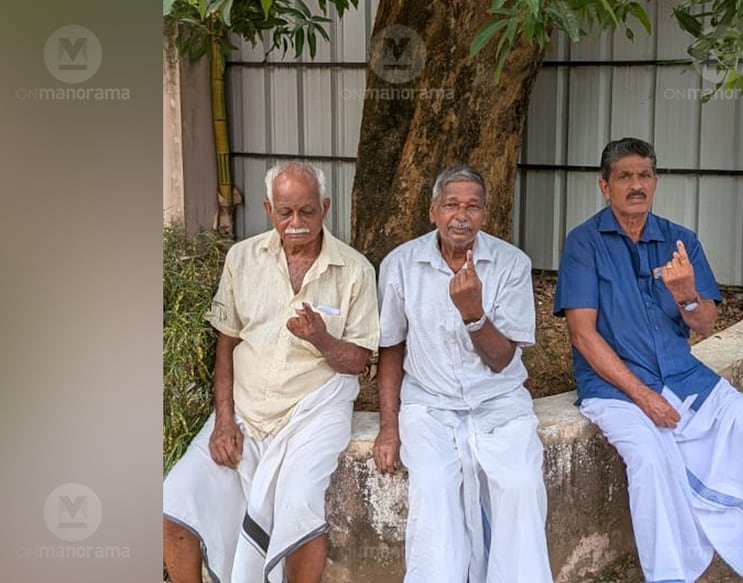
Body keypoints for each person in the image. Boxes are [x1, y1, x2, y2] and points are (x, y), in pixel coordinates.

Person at [554, 137, 743, 583]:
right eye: (624, 176)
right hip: (616, 389)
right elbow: (583, 336)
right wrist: (643, 396)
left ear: (656, 182)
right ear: (604, 187)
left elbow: (705, 323)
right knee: (649, 460)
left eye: (644, 175)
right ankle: (670, 576)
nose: (636, 185)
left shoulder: (680, 240)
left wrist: (685, 295)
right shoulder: (584, 243)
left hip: (684, 378)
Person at [162, 162, 380, 583]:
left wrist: (321, 338)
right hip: (244, 412)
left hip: (312, 414)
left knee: (299, 511)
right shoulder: (242, 257)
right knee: (175, 500)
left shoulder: (355, 270)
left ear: (326, 207)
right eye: (285, 212)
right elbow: (226, 343)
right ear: (268, 209)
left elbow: (358, 361)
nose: (296, 224)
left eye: (307, 212)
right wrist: (224, 420)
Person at [372, 163, 553, 583]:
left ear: (485, 215)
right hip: (429, 407)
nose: (461, 216)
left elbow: (503, 359)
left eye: (473, 206)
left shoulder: (511, 264)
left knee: (521, 484)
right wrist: (388, 427)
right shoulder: (400, 264)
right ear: (433, 210)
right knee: (433, 491)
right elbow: (391, 348)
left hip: (499, 403)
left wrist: (474, 314)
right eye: (451, 205)